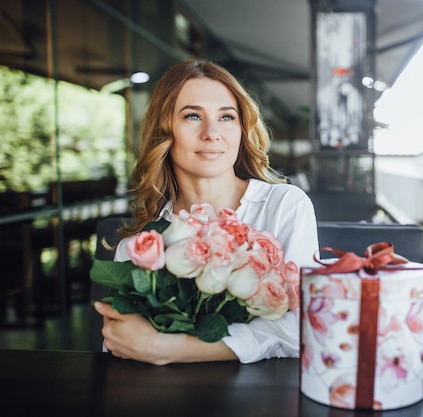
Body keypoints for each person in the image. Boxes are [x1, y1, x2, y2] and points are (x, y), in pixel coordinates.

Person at [94, 60, 319, 365]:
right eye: (192, 116)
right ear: (165, 130)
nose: (212, 133)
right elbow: (121, 344)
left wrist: (174, 349)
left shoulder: (284, 205)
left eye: (226, 117)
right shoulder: (139, 248)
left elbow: (304, 327)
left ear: (241, 129)